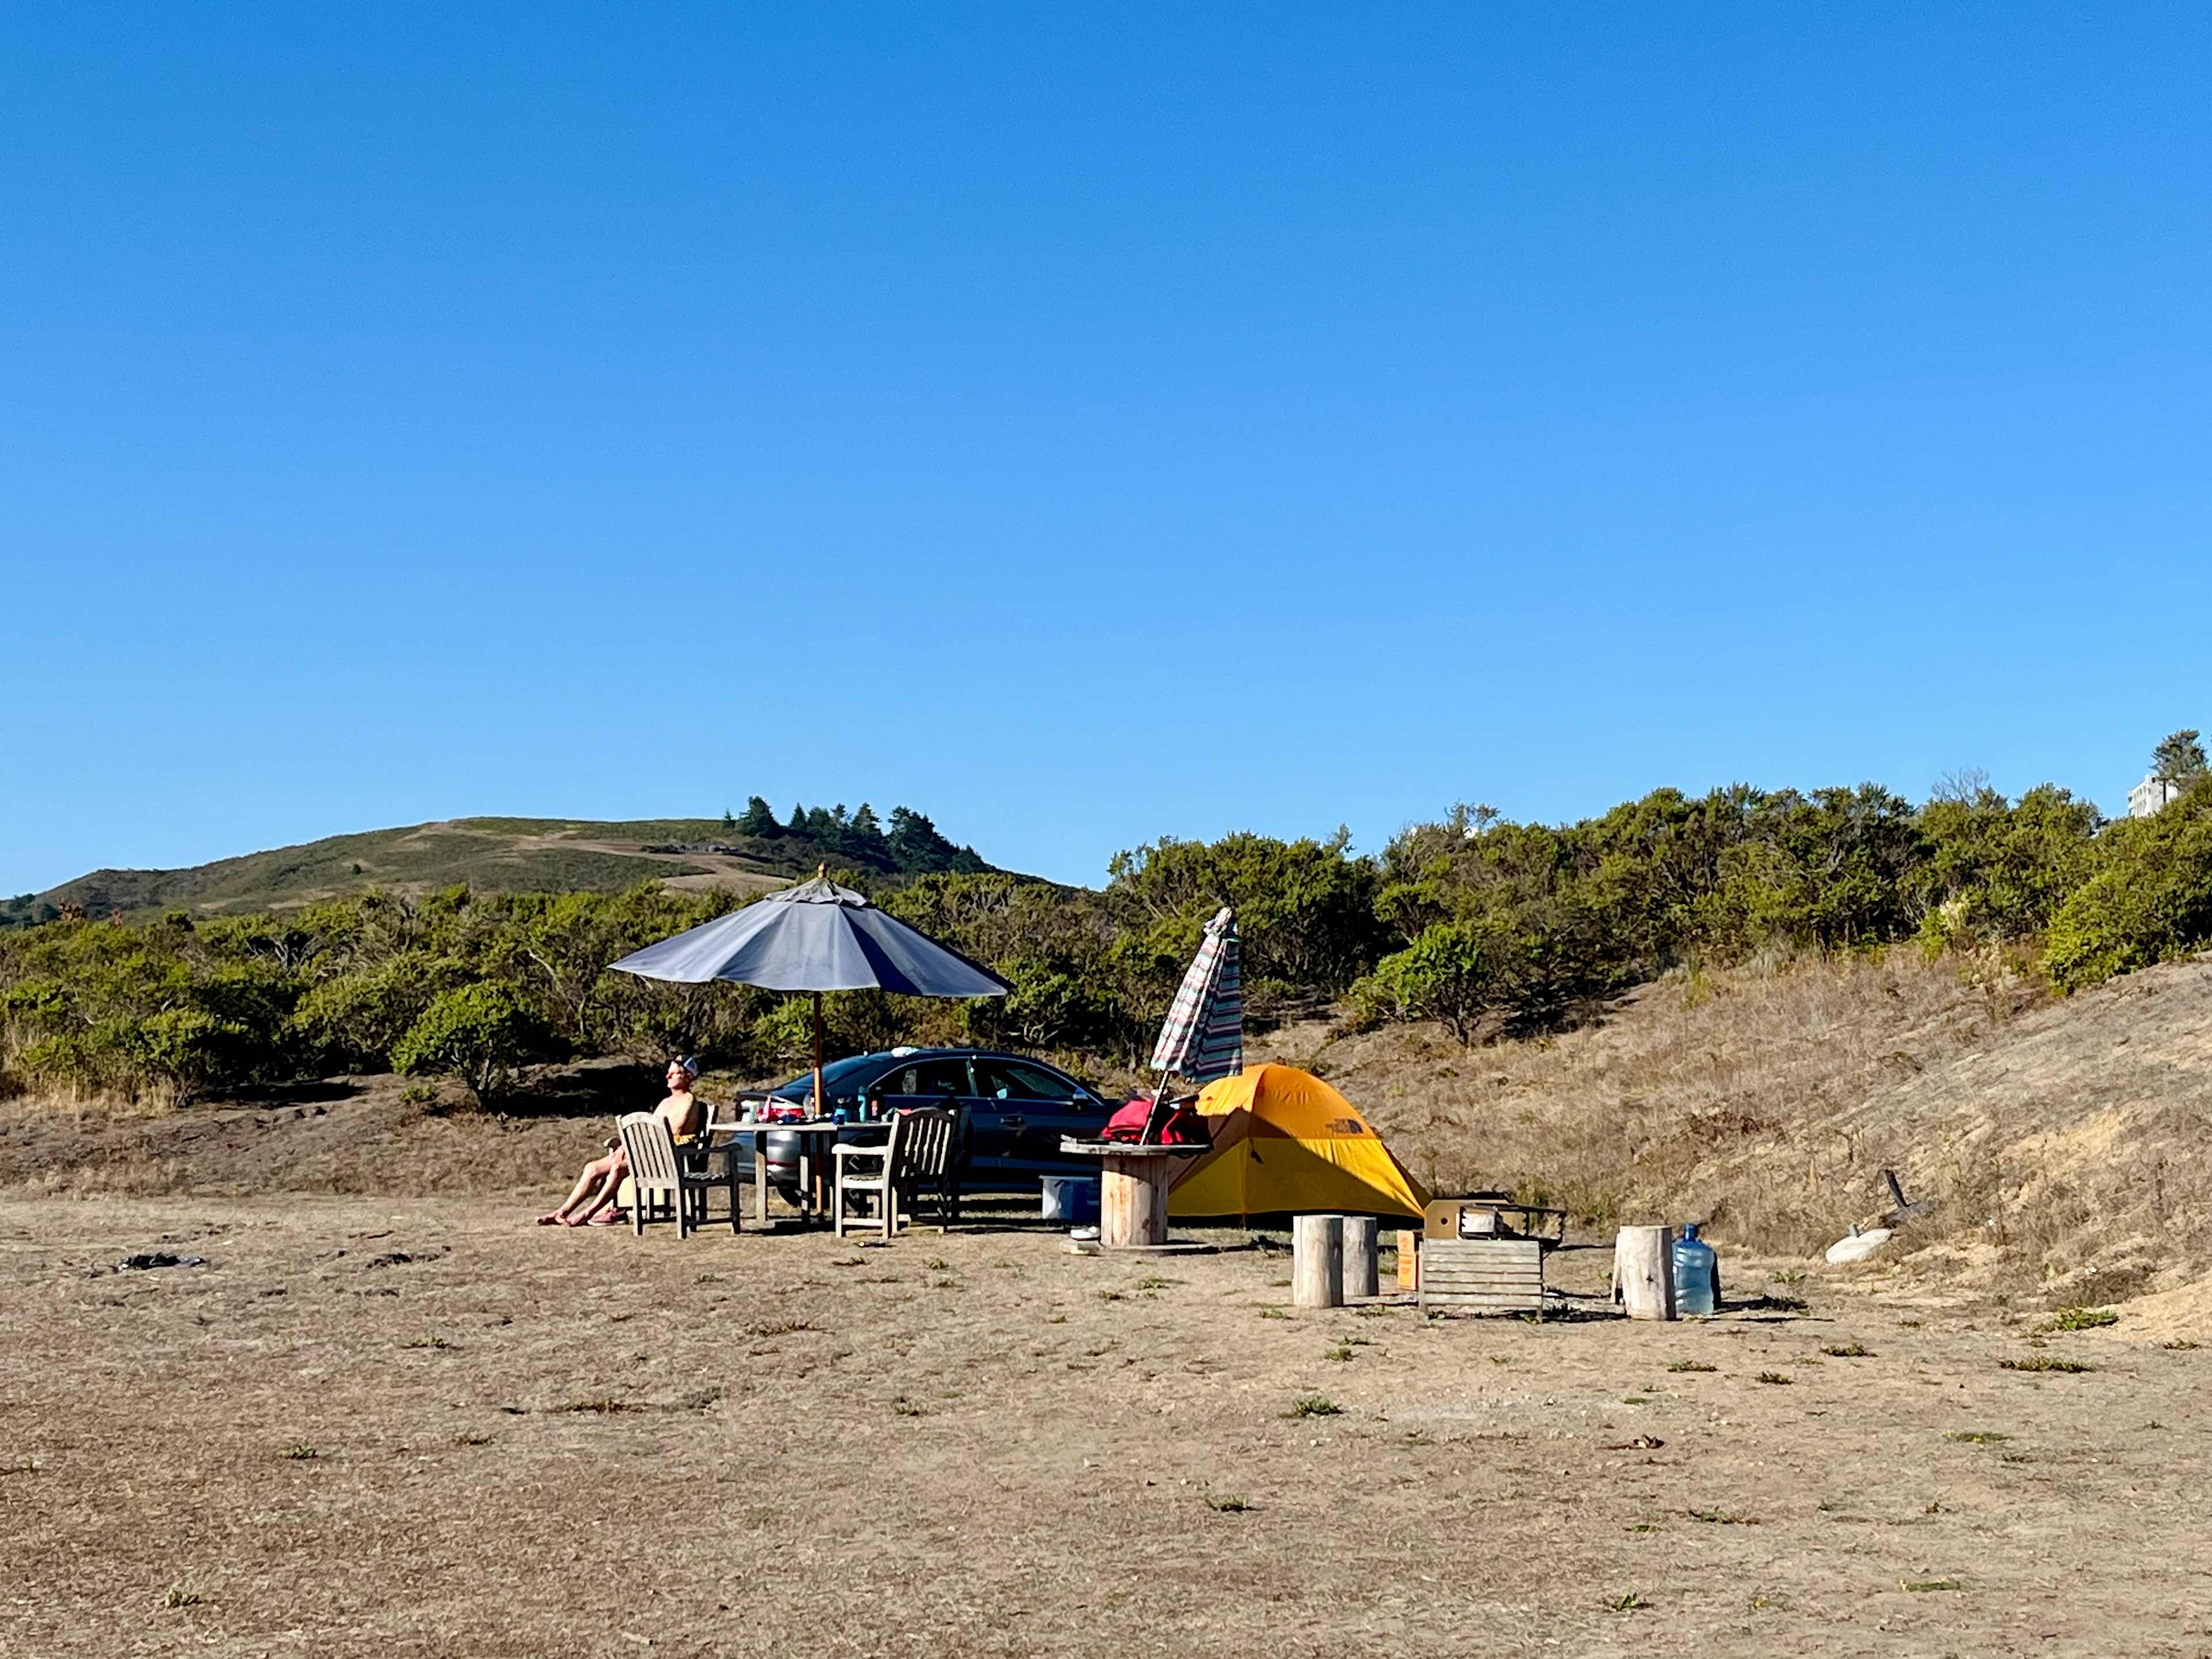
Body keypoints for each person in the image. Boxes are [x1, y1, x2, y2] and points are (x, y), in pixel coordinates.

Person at [537, 1056, 707, 1226]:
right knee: (592, 1168)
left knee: (618, 1169)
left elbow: (674, 1131)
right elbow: (650, 1131)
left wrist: (637, 1146)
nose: (668, 1076)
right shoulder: (665, 1102)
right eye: (668, 1072)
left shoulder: (688, 1101)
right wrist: (627, 1145)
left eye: (674, 1072)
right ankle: (562, 1212)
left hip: (667, 1158)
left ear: (688, 1077)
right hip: (648, 1153)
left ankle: (587, 1214)